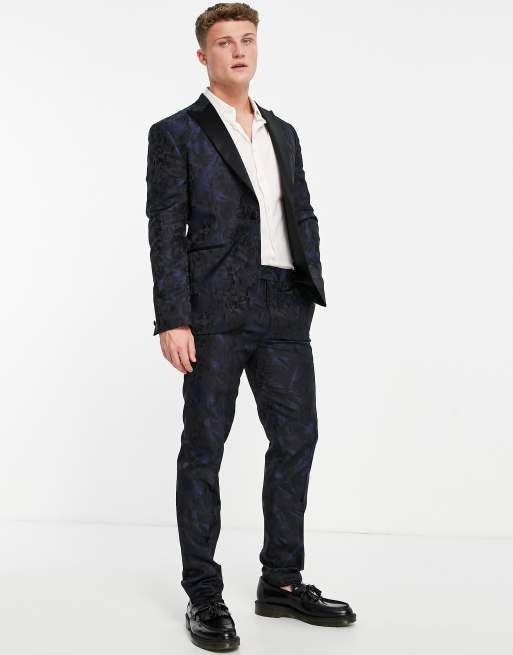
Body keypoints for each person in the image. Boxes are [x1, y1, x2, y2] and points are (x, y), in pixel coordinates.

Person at [145, 3, 356, 650]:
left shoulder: (282, 132)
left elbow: (301, 209)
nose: (237, 50)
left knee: (296, 438)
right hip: (214, 309)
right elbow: (166, 230)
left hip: (284, 303)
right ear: (202, 55)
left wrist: (309, 281)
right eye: (223, 42)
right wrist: (174, 317)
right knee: (204, 448)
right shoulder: (176, 133)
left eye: (246, 40)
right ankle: (204, 594)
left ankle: (281, 582)